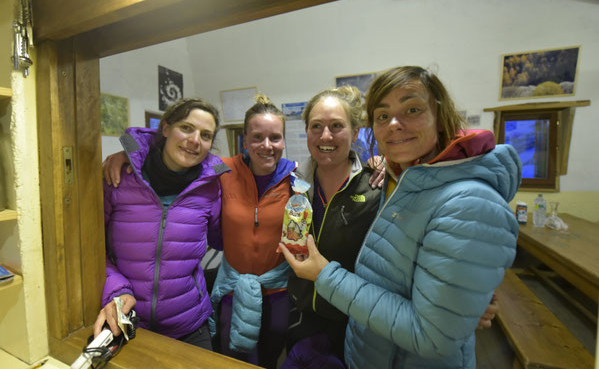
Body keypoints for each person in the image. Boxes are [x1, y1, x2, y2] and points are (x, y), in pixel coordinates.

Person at [280, 66, 521, 369]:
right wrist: (463, 299)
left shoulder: (378, 185)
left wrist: (465, 300)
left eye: (412, 109)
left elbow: (433, 332)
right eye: (383, 116)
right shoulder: (393, 183)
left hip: (365, 333)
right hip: (354, 337)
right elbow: (398, 266)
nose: (394, 124)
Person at [94, 98, 229, 350]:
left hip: (190, 324)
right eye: (187, 128)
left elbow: (221, 239)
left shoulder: (211, 187)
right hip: (130, 320)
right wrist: (116, 290)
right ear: (165, 128)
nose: (195, 140)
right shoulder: (119, 178)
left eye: (206, 135)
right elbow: (92, 247)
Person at [283, 86, 381, 368]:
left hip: (352, 324)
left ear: (356, 131)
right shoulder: (293, 183)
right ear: (307, 131)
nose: (325, 136)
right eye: (317, 126)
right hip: (300, 317)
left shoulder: (376, 187)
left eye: (337, 126)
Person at [208, 95, 297, 368]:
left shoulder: (297, 176)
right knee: (234, 362)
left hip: (278, 290)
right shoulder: (222, 168)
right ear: (244, 140)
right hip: (233, 290)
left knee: (269, 359)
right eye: (258, 137)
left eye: (275, 138)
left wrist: (378, 163)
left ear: (283, 141)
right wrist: (123, 154)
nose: (267, 146)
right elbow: (176, 150)